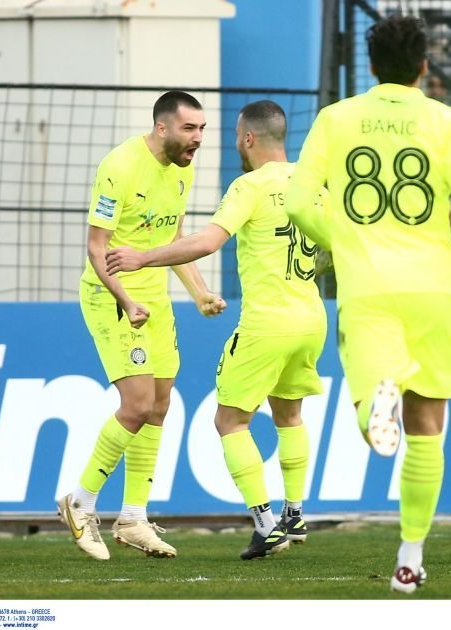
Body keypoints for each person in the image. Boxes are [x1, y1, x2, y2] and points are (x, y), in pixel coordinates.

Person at [285, 15, 451, 594]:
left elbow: (298, 202)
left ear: (372, 66)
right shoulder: (447, 121)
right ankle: (409, 557)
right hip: (433, 288)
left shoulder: (336, 119)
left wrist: (342, 240)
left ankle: (379, 401)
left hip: (368, 287)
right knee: (428, 426)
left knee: (371, 401)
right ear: (424, 66)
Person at [106, 100, 327, 561]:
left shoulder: (249, 186)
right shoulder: (311, 183)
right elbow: (334, 248)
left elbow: (207, 241)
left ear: (248, 138)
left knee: (230, 421)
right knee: (289, 415)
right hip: (311, 317)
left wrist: (143, 257)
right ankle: (295, 512)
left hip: (267, 324)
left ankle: (265, 525)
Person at [58, 91, 226, 561]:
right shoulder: (119, 167)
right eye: (189, 129)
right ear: (162, 128)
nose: (198, 138)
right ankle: (79, 502)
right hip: (112, 297)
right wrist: (127, 300)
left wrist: (199, 292)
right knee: (136, 405)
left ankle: (133, 518)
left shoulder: (183, 168)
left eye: (202, 129)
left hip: (155, 300)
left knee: (160, 405)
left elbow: (172, 238)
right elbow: (97, 248)